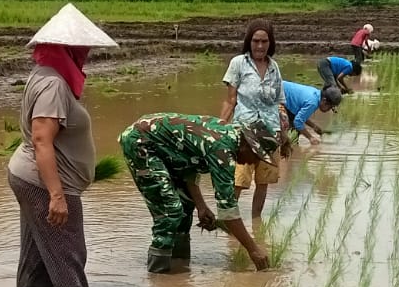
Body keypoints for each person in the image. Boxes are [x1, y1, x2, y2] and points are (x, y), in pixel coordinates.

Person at [6, 3, 118, 287]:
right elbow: (42, 139)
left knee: (38, 259)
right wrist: (56, 195)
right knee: (68, 256)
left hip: (29, 178)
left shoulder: (45, 74)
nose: (87, 53)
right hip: (45, 184)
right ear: (68, 48)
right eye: (82, 47)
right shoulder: (54, 84)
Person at [118, 113, 280, 274]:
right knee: (170, 210)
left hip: (164, 148)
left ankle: (179, 267)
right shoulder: (222, 148)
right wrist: (253, 250)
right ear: (247, 144)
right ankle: (159, 276)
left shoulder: (230, 138)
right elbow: (227, 210)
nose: (254, 162)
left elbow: (189, 165)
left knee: (186, 205)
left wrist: (201, 206)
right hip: (142, 142)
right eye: (256, 156)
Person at [219, 18, 289, 220]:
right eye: (256, 41)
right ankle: (229, 222)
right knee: (238, 180)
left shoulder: (274, 67)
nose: (260, 46)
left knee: (263, 181)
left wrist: (284, 135)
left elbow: (279, 104)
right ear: (249, 41)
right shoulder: (238, 63)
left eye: (264, 41)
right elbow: (230, 100)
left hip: (270, 132)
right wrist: (221, 126)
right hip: (244, 131)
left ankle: (257, 225)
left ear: (271, 43)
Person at [281, 81, 342, 146]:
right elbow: (298, 122)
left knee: (293, 131)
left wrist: (314, 126)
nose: (329, 110)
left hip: (280, 91)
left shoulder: (316, 94)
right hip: (276, 94)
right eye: (330, 107)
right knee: (290, 134)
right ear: (324, 100)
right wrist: (310, 138)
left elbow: (300, 115)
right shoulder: (313, 103)